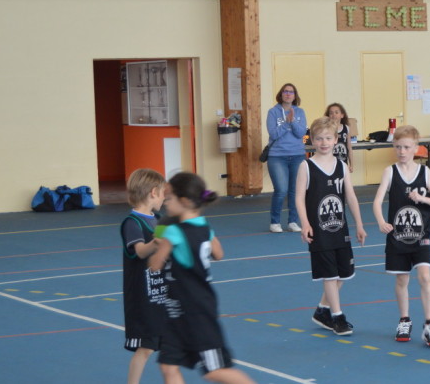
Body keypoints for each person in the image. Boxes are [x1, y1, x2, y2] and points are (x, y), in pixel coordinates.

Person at [147, 172, 254, 384]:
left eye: (170, 199)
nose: (166, 203)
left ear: (184, 201)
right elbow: (219, 254)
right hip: (178, 309)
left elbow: (154, 265)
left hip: (195, 310)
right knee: (168, 365)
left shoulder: (174, 232)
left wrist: (159, 240)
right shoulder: (204, 226)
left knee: (214, 371)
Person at [371, 125, 430, 346]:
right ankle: (404, 320)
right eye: (398, 147)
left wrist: (422, 199)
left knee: (424, 277)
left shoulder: (425, 172)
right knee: (402, 279)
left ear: (416, 148)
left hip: (421, 235)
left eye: (406, 147)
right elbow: (376, 201)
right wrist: (381, 221)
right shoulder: (390, 172)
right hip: (398, 237)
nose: (401, 151)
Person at [296, 117, 367, 336]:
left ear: (336, 139)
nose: (324, 142)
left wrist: (359, 224)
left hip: (340, 228)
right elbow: (299, 198)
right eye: (319, 139)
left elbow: (351, 196)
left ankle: (322, 310)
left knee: (343, 274)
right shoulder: (306, 166)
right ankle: (338, 317)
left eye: (328, 138)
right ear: (312, 141)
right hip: (319, 230)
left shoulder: (342, 166)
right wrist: (305, 224)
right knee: (329, 275)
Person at [121, 168, 167, 384]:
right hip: (143, 297)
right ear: (153, 192)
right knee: (146, 348)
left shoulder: (158, 219)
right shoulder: (132, 223)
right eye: (163, 192)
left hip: (160, 293)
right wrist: (157, 242)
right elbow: (139, 251)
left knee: (167, 345)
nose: (165, 197)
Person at [266, 83, 308, 233]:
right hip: (277, 156)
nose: (288, 94)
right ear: (281, 94)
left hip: (297, 155)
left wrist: (293, 122)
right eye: (285, 91)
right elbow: (274, 134)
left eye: (291, 92)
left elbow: (301, 133)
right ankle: (275, 222)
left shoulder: (300, 112)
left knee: (295, 190)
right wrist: (286, 123)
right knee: (281, 190)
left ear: (295, 96)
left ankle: (293, 221)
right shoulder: (273, 112)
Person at [325, 103, 354, 172]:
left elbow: (349, 148)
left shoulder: (346, 128)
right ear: (328, 116)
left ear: (342, 115)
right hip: (329, 163)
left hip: (343, 162)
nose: (333, 115)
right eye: (331, 113)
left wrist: (351, 164)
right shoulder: (326, 129)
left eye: (336, 112)